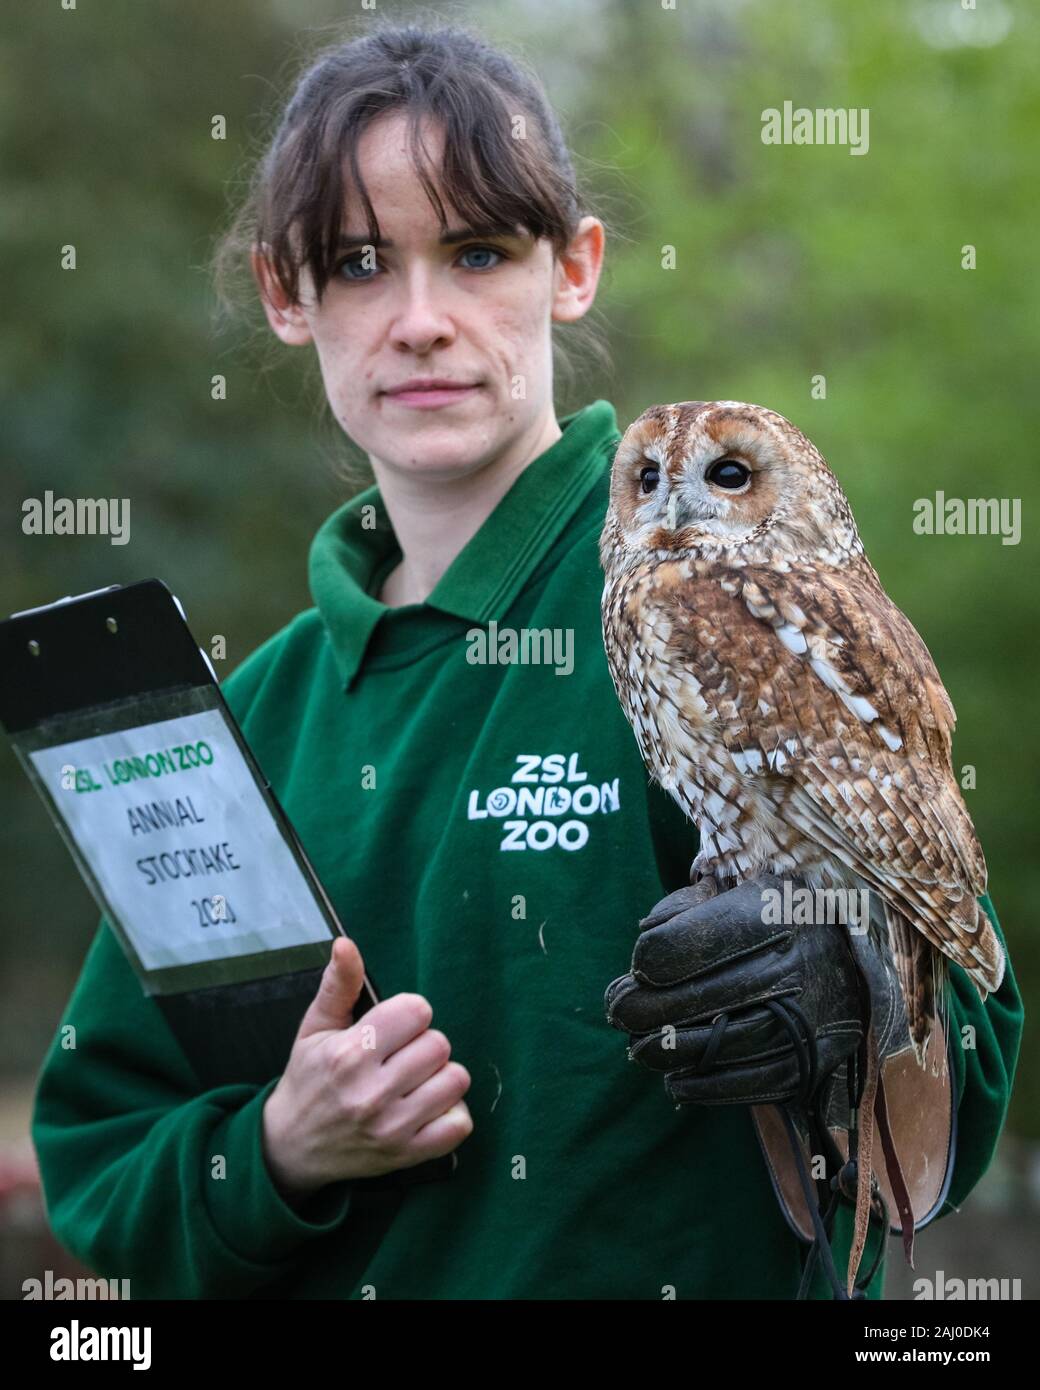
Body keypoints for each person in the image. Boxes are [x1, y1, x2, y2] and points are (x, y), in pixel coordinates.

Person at [31, 20, 1022, 1301]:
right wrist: (278, 1150)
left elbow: (966, 1027)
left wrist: (848, 997)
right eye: (358, 264)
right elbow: (106, 1145)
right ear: (288, 293)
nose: (423, 321)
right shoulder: (244, 713)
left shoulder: (710, 595)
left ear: (574, 267)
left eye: (479, 251)